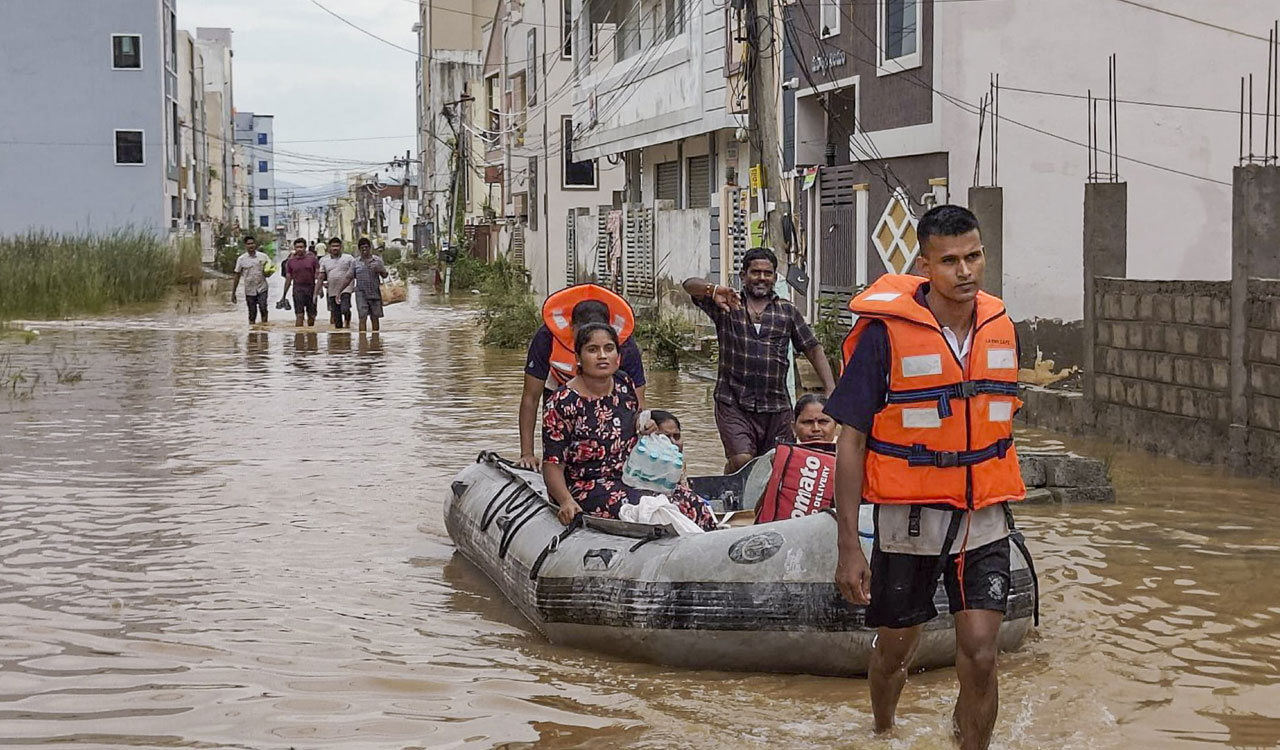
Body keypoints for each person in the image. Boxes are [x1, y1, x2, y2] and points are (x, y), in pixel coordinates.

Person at [826, 205, 1027, 750]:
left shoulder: (1000, 326)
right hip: (908, 520)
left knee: (983, 656)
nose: (966, 271)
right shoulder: (883, 336)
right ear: (924, 265)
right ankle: (882, 731)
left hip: (982, 517)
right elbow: (851, 440)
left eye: (975, 257)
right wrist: (849, 543)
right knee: (895, 648)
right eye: (950, 261)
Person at [542, 323, 716, 530]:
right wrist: (565, 501)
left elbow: (633, 420)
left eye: (608, 348)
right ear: (578, 358)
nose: (602, 356)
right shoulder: (562, 402)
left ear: (617, 356)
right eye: (592, 350)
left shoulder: (624, 384)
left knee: (694, 505)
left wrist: (645, 425)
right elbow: (552, 464)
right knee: (653, 512)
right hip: (587, 485)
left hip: (630, 476)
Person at [684, 247, 836, 473]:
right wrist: (713, 289)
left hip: (775, 405)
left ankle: (745, 495)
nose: (762, 278)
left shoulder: (787, 311)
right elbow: (688, 285)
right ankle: (734, 484)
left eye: (768, 273)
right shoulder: (727, 306)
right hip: (733, 401)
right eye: (755, 272)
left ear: (775, 277)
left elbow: (812, 348)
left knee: (777, 467)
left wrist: (831, 388)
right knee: (743, 461)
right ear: (743, 275)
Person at [516, 284, 646, 470]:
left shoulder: (624, 347)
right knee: (559, 447)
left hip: (608, 392)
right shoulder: (548, 338)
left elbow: (638, 405)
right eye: (588, 345)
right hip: (559, 386)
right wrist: (526, 454)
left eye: (606, 347)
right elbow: (530, 397)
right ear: (571, 328)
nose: (592, 341)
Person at [351, 237, 390, 332]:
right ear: (359, 249)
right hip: (361, 293)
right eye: (362, 248)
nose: (364, 250)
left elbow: (385, 275)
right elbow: (349, 277)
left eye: (366, 247)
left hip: (375, 293)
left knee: (375, 317)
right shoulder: (355, 262)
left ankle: (376, 339)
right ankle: (362, 340)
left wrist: (380, 269)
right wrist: (341, 291)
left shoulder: (377, 261)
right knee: (362, 317)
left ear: (370, 248)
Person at [231, 235, 270, 324]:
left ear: (255, 244)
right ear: (245, 245)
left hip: (262, 288)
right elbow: (237, 275)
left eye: (252, 243)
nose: (251, 245)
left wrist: (268, 273)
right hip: (249, 290)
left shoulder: (263, 257)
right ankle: (252, 333)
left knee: (263, 308)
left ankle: (265, 330)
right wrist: (233, 293)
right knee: (252, 313)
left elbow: (269, 270)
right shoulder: (241, 259)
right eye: (248, 244)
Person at [281, 237, 319, 327]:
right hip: (298, 290)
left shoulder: (312, 259)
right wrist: (284, 295)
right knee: (299, 315)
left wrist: (319, 289)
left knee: (312, 316)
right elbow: (288, 278)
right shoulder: (290, 262)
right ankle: (299, 337)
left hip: (311, 289)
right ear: (294, 248)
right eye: (297, 247)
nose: (299, 249)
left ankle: (312, 336)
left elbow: (317, 275)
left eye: (301, 247)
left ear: (305, 247)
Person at [318, 237, 356, 329]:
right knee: (336, 315)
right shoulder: (324, 260)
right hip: (332, 290)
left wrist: (355, 286)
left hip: (346, 288)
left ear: (341, 247)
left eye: (337, 246)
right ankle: (340, 337)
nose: (335, 248)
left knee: (345, 309)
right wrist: (319, 289)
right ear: (329, 247)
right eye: (333, 246)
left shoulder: (349, 258)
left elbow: (355, 272)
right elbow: (321, 276)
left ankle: (347, 322)